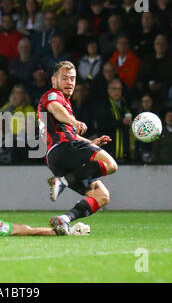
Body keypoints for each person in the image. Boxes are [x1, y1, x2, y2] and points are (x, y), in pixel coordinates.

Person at [37, 61, 117, 234]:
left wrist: (91, 143)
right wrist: (73, 121)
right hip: (63, 148)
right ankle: (64, 182)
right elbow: (55, 109)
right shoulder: (52, 95)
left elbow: (70, 134)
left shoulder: (66, 103)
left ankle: (64, 220)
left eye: (72, 78)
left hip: (57, 159)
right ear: (53, 80)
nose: (69, 82)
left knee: (102, 195)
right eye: (64, 78)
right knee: (111, 165)